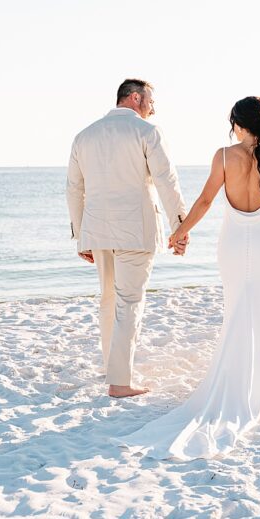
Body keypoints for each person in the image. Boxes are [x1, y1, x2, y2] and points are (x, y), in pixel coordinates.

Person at [118, 96, 260, 459]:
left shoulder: (223, 156)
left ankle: (235, 384)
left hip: (233, 245)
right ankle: (255, 388)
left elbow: (204, 201)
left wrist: (179, 232)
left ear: (239, 122)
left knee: (236, 311)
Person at [66, 78, 189, 398]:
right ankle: (119, 382)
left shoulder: (84, 136)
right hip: (135, 230)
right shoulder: (148, 132)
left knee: (108, 299)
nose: (153, 107)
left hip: (97, 231)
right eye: (150, 100)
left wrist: (81, 235)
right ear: (134, 98)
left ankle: (112, 366)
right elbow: (166, 181)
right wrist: (181, 226)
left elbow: (74, 189)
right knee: (129, 303)